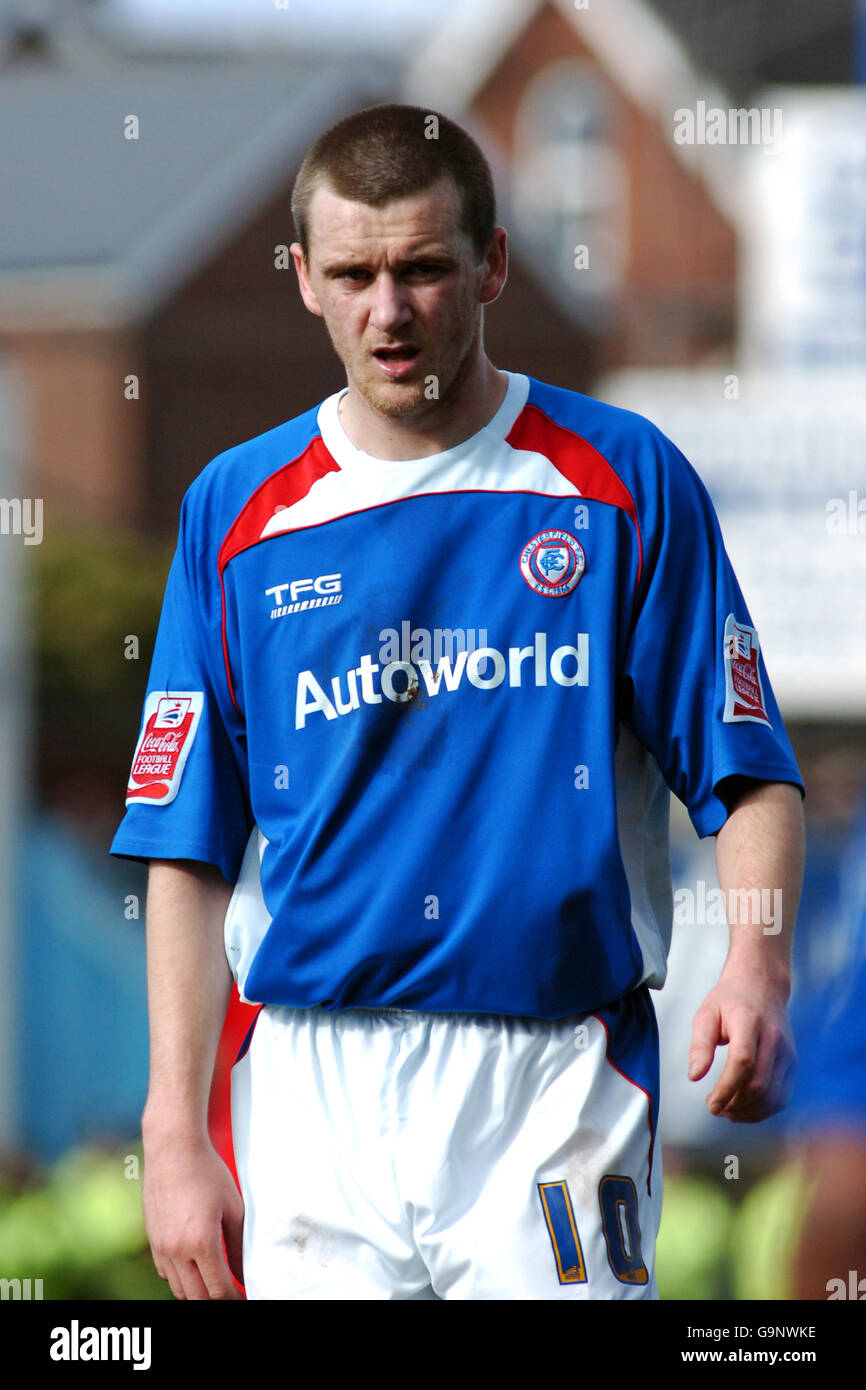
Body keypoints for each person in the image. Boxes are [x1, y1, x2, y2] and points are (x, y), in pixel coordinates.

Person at [111, 103, 805, 1301]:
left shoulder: (620, 481)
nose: (389, 311)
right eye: (355, 273)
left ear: (490, 265)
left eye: (425, 268)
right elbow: (185, 845)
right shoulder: (235, 515)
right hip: (305, 1087)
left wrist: (756, 963)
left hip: (555, 1074)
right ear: (303, 281)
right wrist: (174, 1129)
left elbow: (745, 770)